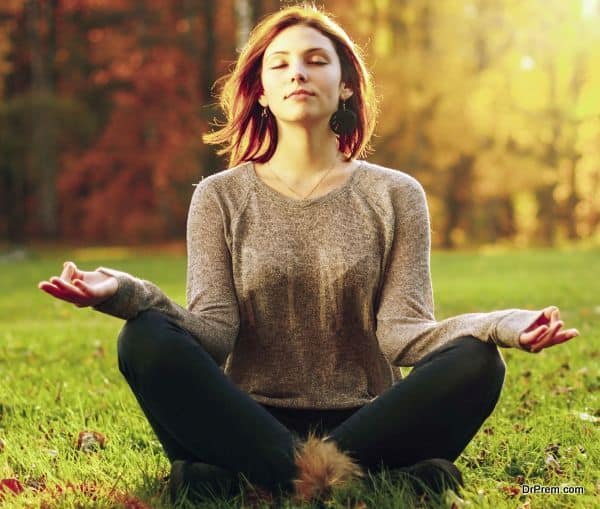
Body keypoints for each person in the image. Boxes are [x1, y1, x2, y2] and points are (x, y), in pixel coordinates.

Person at [38, 4, 580, 506]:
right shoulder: (219, 197)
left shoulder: (395, 195)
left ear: (345, 86)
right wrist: (124, 292)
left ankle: (250, 480)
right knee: (143, 337)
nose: (298, 72)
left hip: (370, 420)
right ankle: (360, 478)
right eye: (281, 64)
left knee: (479, 361)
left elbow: (405, 334)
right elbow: (211, 332)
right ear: (262, 92)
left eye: (316, 60)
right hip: (245, 420)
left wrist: (504, 324)